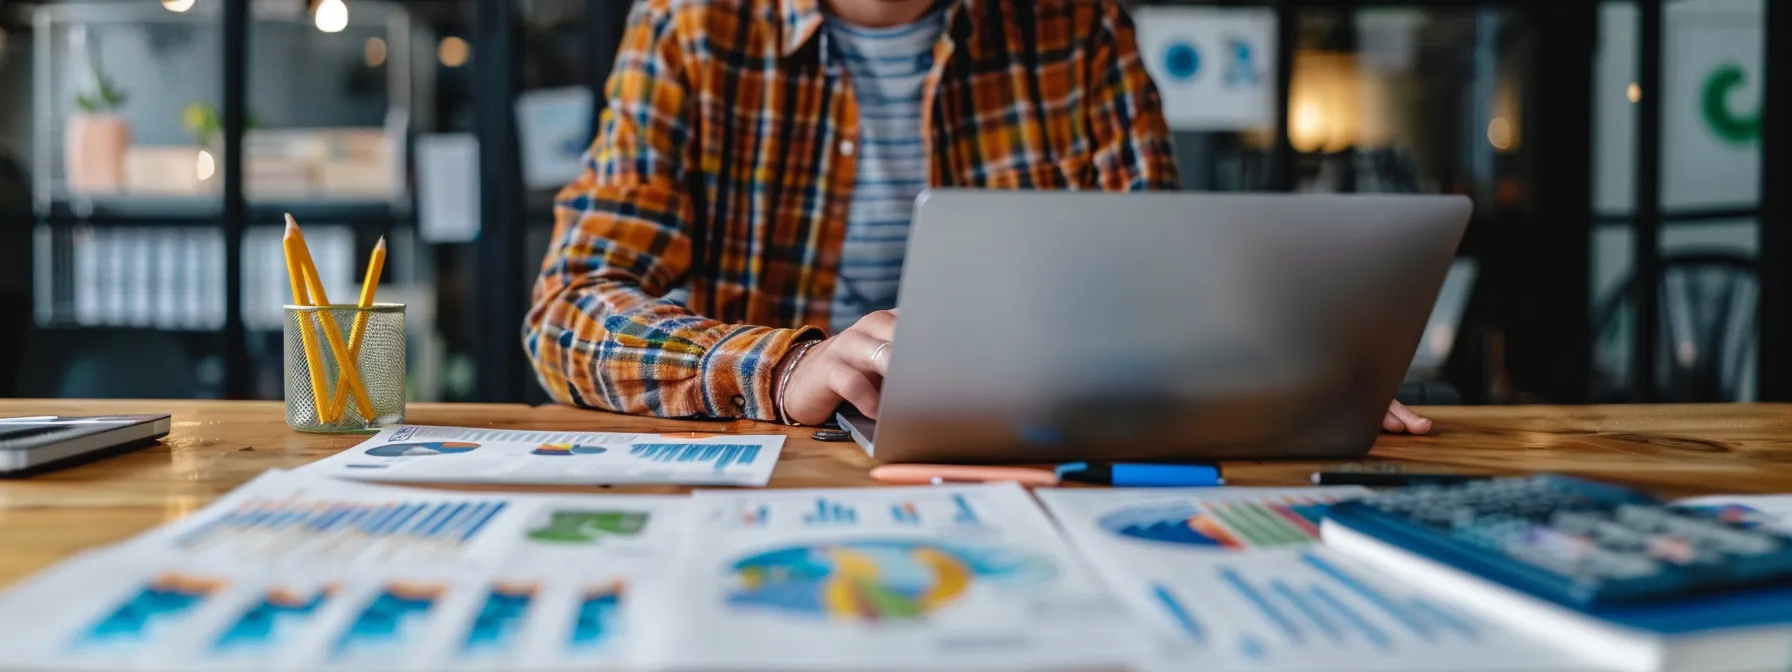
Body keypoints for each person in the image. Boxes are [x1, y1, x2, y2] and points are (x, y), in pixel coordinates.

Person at [524, 0, 1434, 435]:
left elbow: (1163, 285)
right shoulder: (691, 28)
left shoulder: (1078, 28)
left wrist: (1287, 369)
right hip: (784, 465)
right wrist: (785, 364)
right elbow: (568, 310)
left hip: (1039, 458)